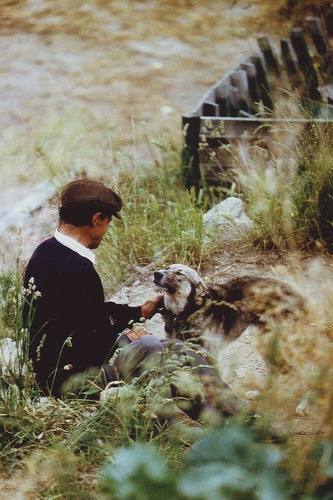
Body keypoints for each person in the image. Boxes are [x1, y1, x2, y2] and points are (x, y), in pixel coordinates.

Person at [23, 178, 240, 419]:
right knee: (152, 348)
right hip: (72, 380)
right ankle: (203, 423)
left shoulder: (45, 251)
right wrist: (126, 337)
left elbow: (82, 314)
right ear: (97, 219)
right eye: (106, 222)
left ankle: (238, 415)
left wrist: (138, 313)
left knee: (177, 348)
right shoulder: (79, 268)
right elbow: (92, 343)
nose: (105, 231)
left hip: (55, 370)